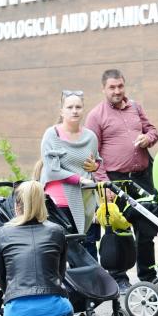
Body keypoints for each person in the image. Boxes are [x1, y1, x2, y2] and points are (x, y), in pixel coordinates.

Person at [86, 69, 158, 291]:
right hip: (114, 181)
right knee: (117, 230)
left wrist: (148, 138)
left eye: (120, 86)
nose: (117, 91)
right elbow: (92, 155)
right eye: (112, 87)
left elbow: (153, 131)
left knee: (147, 227)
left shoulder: (136, 107)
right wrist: (103, 183)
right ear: (103, 89)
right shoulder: (96, 115)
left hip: (142, 178)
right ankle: (118, 277)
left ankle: (148, 275)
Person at [0, 181, 73, 316]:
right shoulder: (56, 231)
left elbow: (1, 276)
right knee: (64, 302)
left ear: (17, 205)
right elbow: (59, 274)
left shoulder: (2, 233)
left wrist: (10, 295)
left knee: (17, 307)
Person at [39, 90, 100, 238]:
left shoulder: (91, 137)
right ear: (62, 111)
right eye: (70, 107)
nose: (74, 111)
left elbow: (96, 161)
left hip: (86, 200)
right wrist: (79, 179)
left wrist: (96, 166)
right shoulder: (52, 135)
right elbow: (52, 171)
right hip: (59, 202)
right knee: (62, 250)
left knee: (87, 250)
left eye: (78, 107)